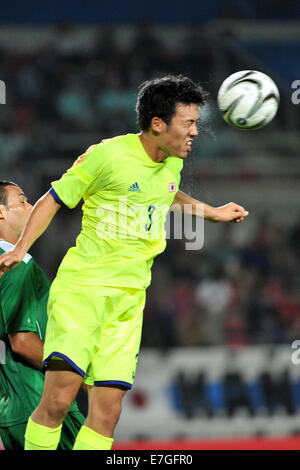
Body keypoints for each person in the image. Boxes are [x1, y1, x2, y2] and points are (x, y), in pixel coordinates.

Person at [0, 75, 249, 451]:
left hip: (129, 300)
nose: (196, 131)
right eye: (189, 123)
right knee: (58, 400)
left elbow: (166, 192)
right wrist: (20, 248)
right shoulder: (107, 155)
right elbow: (54, 197)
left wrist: (210, 212)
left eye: (197, 122)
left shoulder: (171, 162)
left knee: (108, 412)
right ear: (158, 124)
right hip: (85, 292)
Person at [0, 180, 85, 450]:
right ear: (1, 212)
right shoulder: (18, 264)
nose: (31, 205)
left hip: (11, 407)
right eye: (22, 201)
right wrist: (76, 374)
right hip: (42, 403)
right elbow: (23, 342)